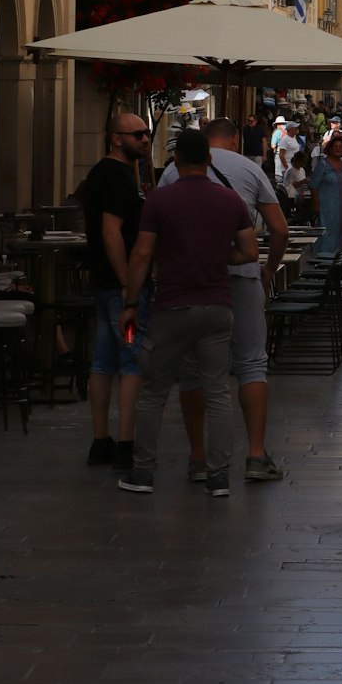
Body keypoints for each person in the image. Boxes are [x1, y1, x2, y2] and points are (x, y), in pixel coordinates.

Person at [118, 129, 258, 497]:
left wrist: (131, 303)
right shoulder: (230, 200)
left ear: (176, 160)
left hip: (173, 307)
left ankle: (143, 473)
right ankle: (219, 476)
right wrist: (217, 256)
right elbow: (249, 252)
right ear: (209, 161)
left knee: (154, 391)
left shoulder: (159, 200)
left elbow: (142, 254)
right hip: (217, 307)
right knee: (218, 393)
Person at [159, 117, 288, 485]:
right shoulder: (249, 167)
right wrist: (269, 268)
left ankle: (198, 458)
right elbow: (279, 229)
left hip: (191, 282)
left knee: (192, 368)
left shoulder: (173, 171)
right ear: (234, 137)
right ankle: (256, 455)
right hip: (243, 276)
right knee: (251, 363)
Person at [82, 111, 152, 471]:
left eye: (146, 133)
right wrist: (129, 285)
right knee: (130, 360)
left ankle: (101, 441)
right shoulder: (119, 177)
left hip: (103, 282)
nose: (144, 139)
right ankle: (125, 443)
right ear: (116, 138)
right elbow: (112, 232)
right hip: (119, 286)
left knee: (103, 360)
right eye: (137, 134)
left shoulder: (103, 173)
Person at [310, 131, 342, 259]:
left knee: (339, 230)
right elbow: (313, 186)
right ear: (330, 148)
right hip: (326, 206)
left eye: (340, 147)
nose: (338, 149)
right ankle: (323, 259)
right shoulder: (323, 164)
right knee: (326, 232)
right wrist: (316, 205)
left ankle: (337, 259)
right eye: (335, 146)